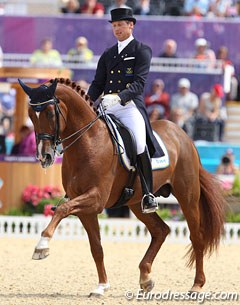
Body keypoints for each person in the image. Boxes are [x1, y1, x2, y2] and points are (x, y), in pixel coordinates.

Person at [87, 8, 162, 213]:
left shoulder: (141, 50)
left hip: (129, 106)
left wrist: (119, 97)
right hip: (107, 107)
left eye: (120, 24)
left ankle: (148, 194)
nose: (117, 29)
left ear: (131, 25)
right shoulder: (108, 54)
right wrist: (86, 100)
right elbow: (97, 84)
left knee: (138, 143)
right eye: (114, 25)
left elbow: (139, 83)